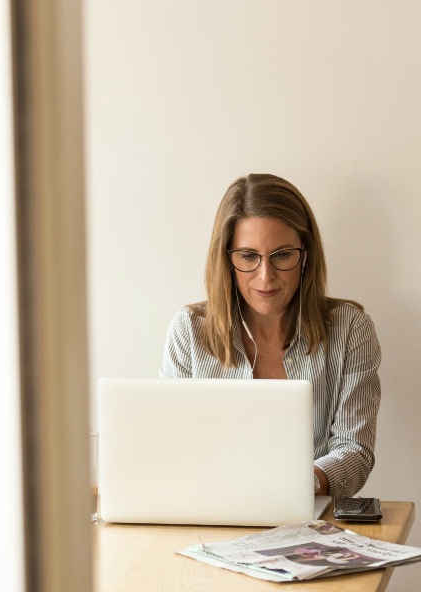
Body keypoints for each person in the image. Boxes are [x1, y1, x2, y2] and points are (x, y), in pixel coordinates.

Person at [160, 173, 381, 498]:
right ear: (227, 259)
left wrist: (296, 486)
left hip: (311, 520)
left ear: (305, 254)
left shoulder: (350, 328)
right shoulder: (189, 330)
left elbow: (355, 451)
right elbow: (171, 449)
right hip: (210, 514)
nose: (266, 276)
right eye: (248, 256)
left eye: (282, 255)